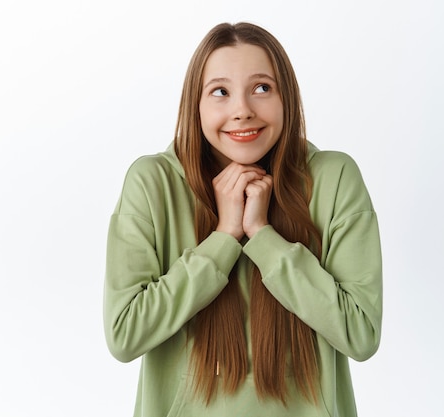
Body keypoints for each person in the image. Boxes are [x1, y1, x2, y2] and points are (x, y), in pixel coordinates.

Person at [103, 22, 382, 417]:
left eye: (262, 88)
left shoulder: (334, 179)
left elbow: (361, 334)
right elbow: (124, 335)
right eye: (220, 92)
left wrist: (262, 236)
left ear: (287, 97)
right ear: (194, 104)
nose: (242, 110)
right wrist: (224, 238)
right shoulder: (153, 183)